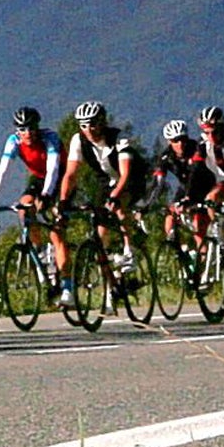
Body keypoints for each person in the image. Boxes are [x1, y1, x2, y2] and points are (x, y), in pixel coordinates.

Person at [53, 101, 144, 308]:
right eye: (83, 125)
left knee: (119, 204)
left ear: (102, 122)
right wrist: (64, 201)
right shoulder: (79, 140)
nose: (89, 130)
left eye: (93, 124)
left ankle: (129, 250)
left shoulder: (118, 138)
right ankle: (112, 286)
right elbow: (70, 174)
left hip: (130, 179)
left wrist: (114, 197)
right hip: (106, 181)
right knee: (100, 239)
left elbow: (126, 174)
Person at [0, 106, 63, 256]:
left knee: (56, 223)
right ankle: (39, 250)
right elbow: (3, 171)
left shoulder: (49, 138)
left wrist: (46, 195)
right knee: (24, 207)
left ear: (37, 127)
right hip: (39, 178)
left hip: (60, 177)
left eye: (31, 128)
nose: (27, 133)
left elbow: (53, 169)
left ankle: (61, 264)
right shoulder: (14, 141)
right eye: (22, 129)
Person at [151, 119, 220, 251]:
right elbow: (157, 183)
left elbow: (194, 173)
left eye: (183, 139)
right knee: (170, 217)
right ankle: (178, 251)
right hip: (184, 188)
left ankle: (204, 262)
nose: (181, 144)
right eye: (176, 140)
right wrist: (147, 205)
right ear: (169, 142)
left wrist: (188, 199)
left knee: (198, 228)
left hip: (204, 187)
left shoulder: (197, 148)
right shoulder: (166, 156)